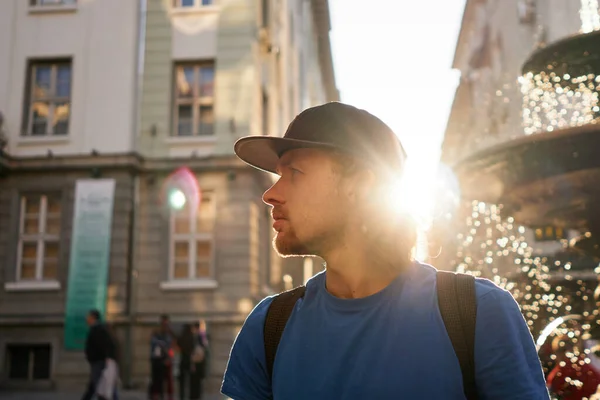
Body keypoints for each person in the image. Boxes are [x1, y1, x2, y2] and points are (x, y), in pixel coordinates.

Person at [221, 102, 550, 399]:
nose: (271, 194)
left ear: (360, 186)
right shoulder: (268, 327)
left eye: (294, 173)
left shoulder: (476, 313)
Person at [81, 309, 118, 400]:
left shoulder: (98, 329)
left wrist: (106, 357)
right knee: (99, 385)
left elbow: (104, 345)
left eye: (88, 317)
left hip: (99, 361)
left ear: (93, 318)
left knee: (98, 385)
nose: (86, 319)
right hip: (98, 361)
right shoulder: (98, 329)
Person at [150, 315, 175, 400]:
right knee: (156, 381)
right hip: (157, 361)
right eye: (163, 324)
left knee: (168, 382)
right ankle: (156, 396)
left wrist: (169, 359)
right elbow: (153, 346)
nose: (165, 326)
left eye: (166, 324)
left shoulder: (169, 335)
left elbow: (171, 348)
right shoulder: (156, 334)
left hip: (166, 361)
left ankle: (168, 397)